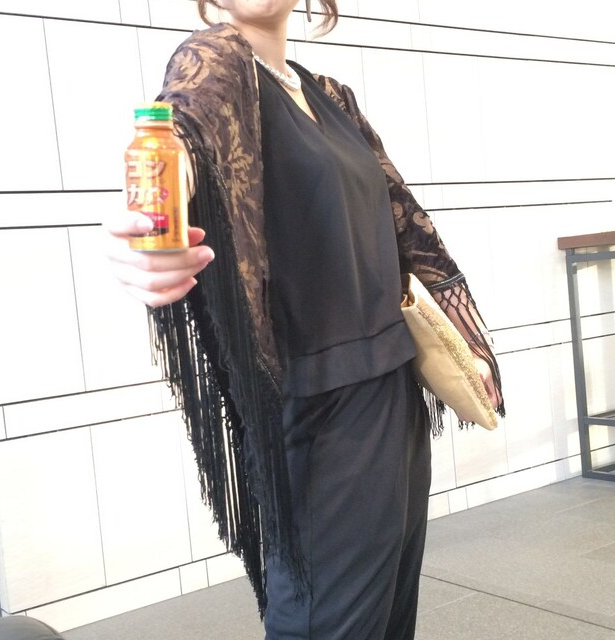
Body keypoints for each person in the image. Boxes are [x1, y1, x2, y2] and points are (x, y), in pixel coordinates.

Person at [105, 1, 504, 637]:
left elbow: (407, 224)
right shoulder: (215, 60)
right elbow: (182, 133)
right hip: (319, 404)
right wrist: (155, 220)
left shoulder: (331, 97)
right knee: (327, 621)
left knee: (389, 615)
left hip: (393, 383)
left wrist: (466, 341)